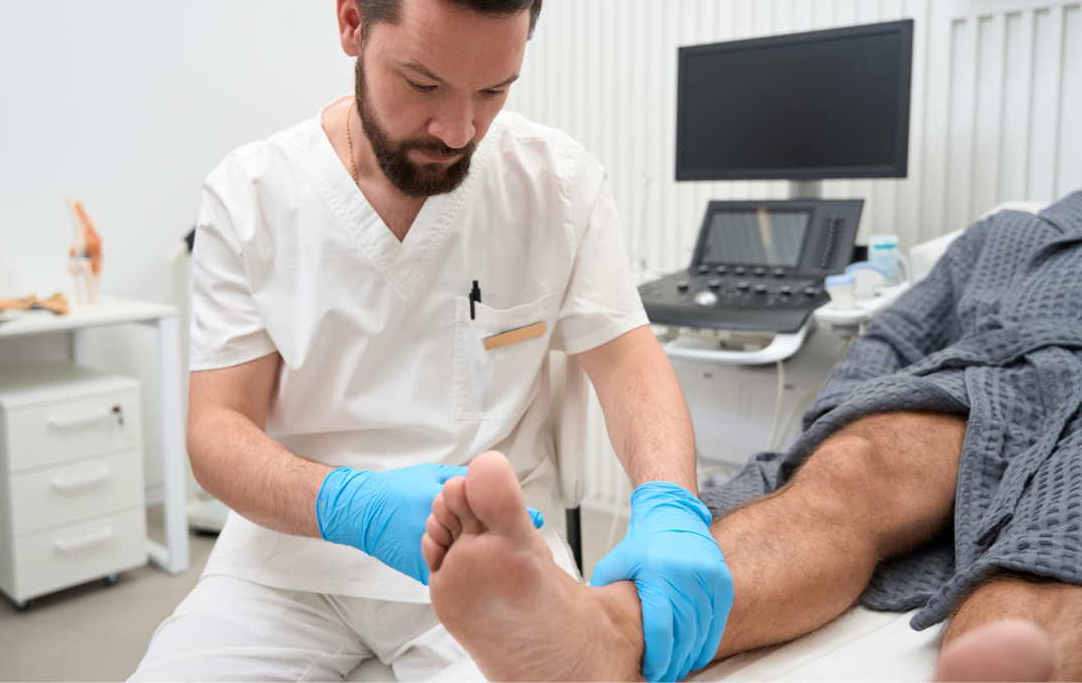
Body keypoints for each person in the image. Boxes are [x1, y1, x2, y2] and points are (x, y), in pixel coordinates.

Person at [129, 0, 731, 681]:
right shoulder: (251, 196)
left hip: (491, 555)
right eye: (422, 84)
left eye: (493, 91)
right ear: (351, 22)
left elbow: (627, 362)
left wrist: (671, 505)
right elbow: (217, 432)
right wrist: (348, 504)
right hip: (289, 563)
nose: (458, 130)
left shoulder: (556, 184)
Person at [420, 192, 1082, 683]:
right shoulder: (1008, 234)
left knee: (1053, 543)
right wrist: (830, 428)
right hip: (985, 384)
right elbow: (895, 339)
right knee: (854, 465)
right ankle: (604, 636)